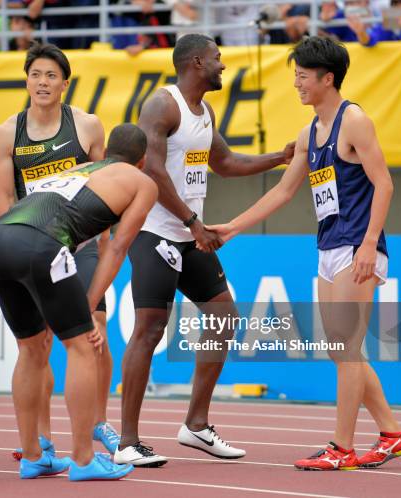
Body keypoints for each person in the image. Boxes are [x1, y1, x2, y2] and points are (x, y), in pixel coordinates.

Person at [208, 36, 401, 470]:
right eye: (296, 76)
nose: (297, 84)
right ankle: (393, 434)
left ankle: (342, 448)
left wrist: (367, 243)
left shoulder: (354, 120)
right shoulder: (308, 134)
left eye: (303, 76)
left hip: (360, 246)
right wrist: (232, 226)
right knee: (345, 349)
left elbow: (385, 184)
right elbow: (284, 191)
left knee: (345, 347)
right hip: (327, 247)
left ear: (328, 78)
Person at [115, 33, 295, 467]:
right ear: (195, 62)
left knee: (223, 316)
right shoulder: (163, 104)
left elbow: (226, 163)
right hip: (156, 234)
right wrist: (194, 223)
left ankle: (196, 426)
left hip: (189, 235)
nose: (223, 65)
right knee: (149, 330)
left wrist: (281, 157)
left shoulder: (204, 111)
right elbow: (152, 171)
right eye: (217, 58)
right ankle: (127, 442)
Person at [0, 123, 157, 480]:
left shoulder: (78, 169)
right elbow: (118, 247)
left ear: (108, 150)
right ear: (143, 160)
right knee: (82, 346)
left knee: (31, 350)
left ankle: (33, 455)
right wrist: (90, 306)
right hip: (40, 245)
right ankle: (82, 459)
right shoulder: (142, 182)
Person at [0, 42, 121, 458]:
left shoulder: (86, 126)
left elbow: (107, 182)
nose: (43, 82)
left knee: (94, 327)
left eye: (51, 76)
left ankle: (99, 423)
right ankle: (42, 436)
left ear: (65, 83)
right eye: (36, 75)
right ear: (26, 80)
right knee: (37, 343)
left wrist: (101, 242)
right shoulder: (6, 133)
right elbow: (4, 198)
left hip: (79, 241)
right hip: (35, 243)